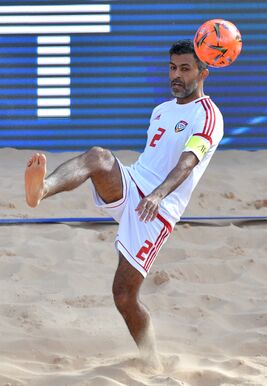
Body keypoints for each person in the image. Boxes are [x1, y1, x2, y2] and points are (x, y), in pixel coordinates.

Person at [24, 39, 223, 370]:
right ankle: (41, 190)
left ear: (204, 72)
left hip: (157, 211)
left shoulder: (209, 116)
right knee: (99, 157)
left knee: (124, 296)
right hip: (132, 183)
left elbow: (188, 163)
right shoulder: (161, 110)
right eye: (172, 67)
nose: (176, 75)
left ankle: (153, 361)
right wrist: (139, 187)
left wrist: (159, 195)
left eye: (185, 69)